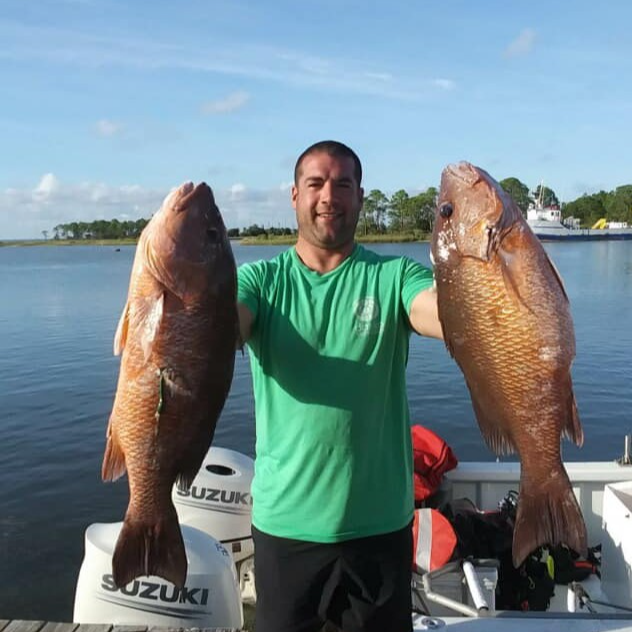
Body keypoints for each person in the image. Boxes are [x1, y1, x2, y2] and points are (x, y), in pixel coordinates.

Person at [237, 140, 443, 632]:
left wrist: (491, 284)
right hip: (286, 526)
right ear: (294, 196)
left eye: (342, 184)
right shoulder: (259, 281)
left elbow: (442, 315)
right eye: (316, 183)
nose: (329, 195)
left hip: (379, 528)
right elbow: (222, 327)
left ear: (360, 197)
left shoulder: (394, 275)